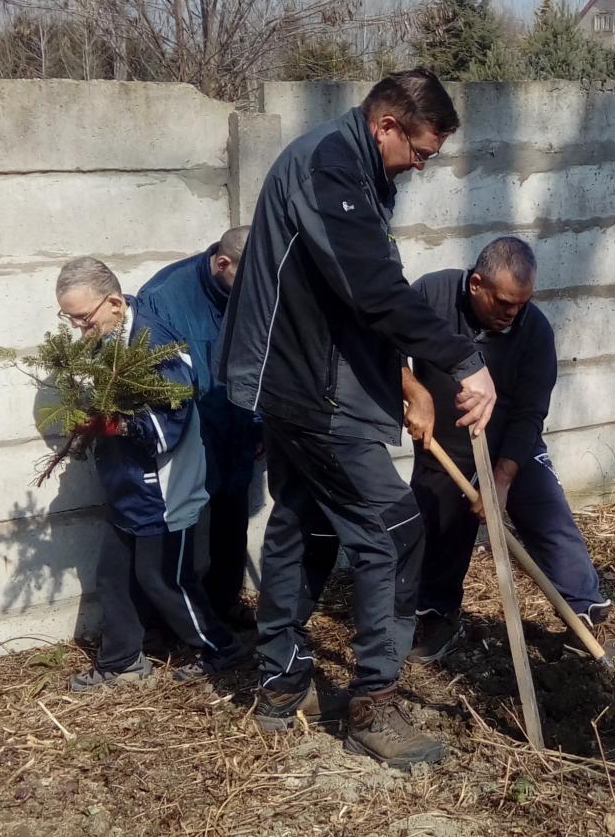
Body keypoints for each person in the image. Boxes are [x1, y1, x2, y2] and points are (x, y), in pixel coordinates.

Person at [217, 69, 497, 768]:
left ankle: (281, 685)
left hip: (304, 379)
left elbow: (347, 296)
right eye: (420, 152)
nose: (422, 166)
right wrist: (463, 360)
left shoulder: (360, 171)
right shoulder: (330, 168)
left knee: (303, 524)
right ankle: (374, 702)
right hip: (311, 390)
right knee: (394, 529)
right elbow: (374, 291)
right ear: (386, 125)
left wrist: (406, 381)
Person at [402, 237, 615, 670]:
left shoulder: (534, 330)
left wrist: (501, 481)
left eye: (522, 303)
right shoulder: (431, 294)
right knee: (437, 535)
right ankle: (437, 618)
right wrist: (414, 393)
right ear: (476, 284)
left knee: (552, 521)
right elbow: (382, 344)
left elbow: (530, 412)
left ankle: (586, 622)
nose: (513, 313)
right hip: (445, 449)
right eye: (504, 302)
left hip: (511, 445)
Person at [52, 257, 247, 691]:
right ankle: (122, 660)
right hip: (127, 483)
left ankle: (221, 647)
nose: (79, 329)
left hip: (163, 487)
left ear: (114, 303)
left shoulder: (155, 343)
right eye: (70, 320)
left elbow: (170, 421)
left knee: (164, 579)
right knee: (113, 575)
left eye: (83, 318)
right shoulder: (109, 336)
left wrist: (115, 426)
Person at [135, 227, 258, 624]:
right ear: (222, 263)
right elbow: (156, 373)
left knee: (233, 512)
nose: (258, 288)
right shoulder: (165, 296)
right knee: (179, 522)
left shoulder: (259, 287)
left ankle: (224, 602)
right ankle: (175, 619)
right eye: (249, 278)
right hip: (190, 430)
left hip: (240, 423)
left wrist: (261, 425)